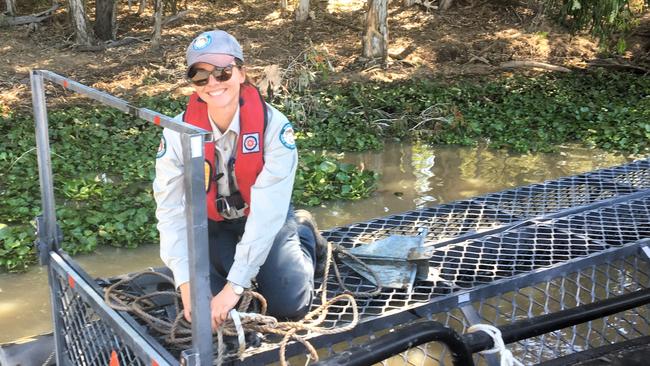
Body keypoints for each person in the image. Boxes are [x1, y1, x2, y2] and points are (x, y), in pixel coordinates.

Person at [153, 29, 326, 331]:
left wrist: (234, 287)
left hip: (263, 218)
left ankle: (304, 235)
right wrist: (185, 282)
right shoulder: (176, 133)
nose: (213, 84)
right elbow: (170, 210)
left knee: (289, 305)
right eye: (201, 77)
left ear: (242, 72)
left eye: (222, 72)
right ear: (192, 85)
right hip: (213, 224)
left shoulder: (274, 128)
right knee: (205, 310)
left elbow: (265, 216)